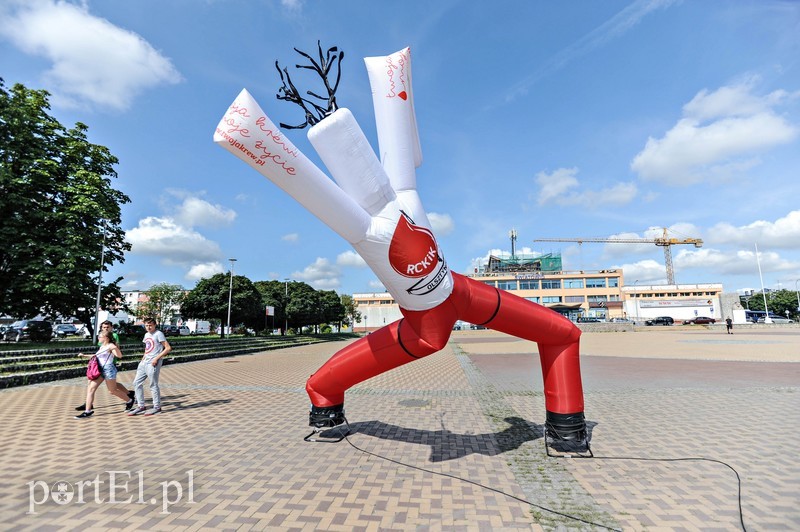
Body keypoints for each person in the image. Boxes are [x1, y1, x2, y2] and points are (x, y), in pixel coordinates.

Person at [74, 331, 135, 419]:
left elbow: (119, 356)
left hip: (108, 369)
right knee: (91, 388)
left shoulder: (110, 346)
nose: (99, 338)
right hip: (100, 369)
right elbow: (96, 356)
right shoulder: (103, 346)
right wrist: (84, 355)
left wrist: (114, 348)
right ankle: (87, 411)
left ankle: (129, 400)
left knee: (112, 391)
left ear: (106, 338)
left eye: (100, 336)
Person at [128, 318, 171, 416]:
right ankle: (141, 406)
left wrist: (156, 358)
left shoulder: (158, 334)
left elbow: (168, 348)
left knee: (153, 384)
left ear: (155, 325)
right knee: (136, 383)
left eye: (150, 325)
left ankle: (157, 407)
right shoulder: (146, 334)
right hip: (144, 362)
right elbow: (147, 348)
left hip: (153, 363)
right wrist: (143, 359)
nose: (148, 327)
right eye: (146, 325)